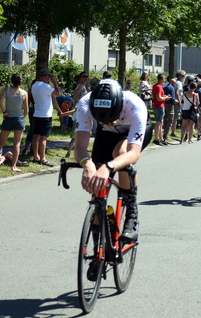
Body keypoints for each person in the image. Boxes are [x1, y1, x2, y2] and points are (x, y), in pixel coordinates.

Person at [73, 79, 153, 241]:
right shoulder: (84, 104)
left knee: (120, 153)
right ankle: (97, 255)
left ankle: (131, 212)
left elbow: (133, 154)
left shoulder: (134, 105)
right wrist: (87, 164)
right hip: (106, 136)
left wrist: (108, 167)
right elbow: (80, 147)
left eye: (112, 119)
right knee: (98, 192)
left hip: (131, 133)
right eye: (102, 121)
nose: (108, 124)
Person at [0, 74, 28, 171]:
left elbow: (0, 101)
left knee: (1, 143)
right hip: (19, 118)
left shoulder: (7, 90)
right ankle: (13, 166)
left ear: (11, 81)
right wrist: (23, 116)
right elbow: (26, 110)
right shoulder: (24, 93)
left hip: (8, 118)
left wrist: (4, 111)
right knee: (17, 143)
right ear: (21, 82)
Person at [31, 68, 62, 167]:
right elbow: (58, 93)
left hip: (36, 114)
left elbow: (52, 98)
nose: (50, 78)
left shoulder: (34, 85)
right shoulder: (45, 86)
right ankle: (43, 158)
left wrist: (58, 109)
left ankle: (36, 156)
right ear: (47, 76)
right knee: (44, 138)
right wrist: (55, 82)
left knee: (36, 136)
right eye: (49, 76)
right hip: (45, 115)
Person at [152, 73, 170, 145]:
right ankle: (156, 139)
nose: (165, 80)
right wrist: (166, 98)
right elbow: (159, 98)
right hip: (159, 105)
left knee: (160, 123)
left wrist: (164, 96)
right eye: (164, 79)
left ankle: (161, 138)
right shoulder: (159, 87)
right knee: (158, 123)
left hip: (157, 105)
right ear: (162, 79)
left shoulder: (155, 85)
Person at [162, 77, 176, 143]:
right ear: (173, 82)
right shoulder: (171, 88)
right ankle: (166, 135)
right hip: (170, 105)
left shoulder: (164, 87)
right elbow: (172, 97)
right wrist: (176, 101)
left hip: (164, 104)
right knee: (170, 120)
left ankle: (164, 133)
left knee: (165, 119)